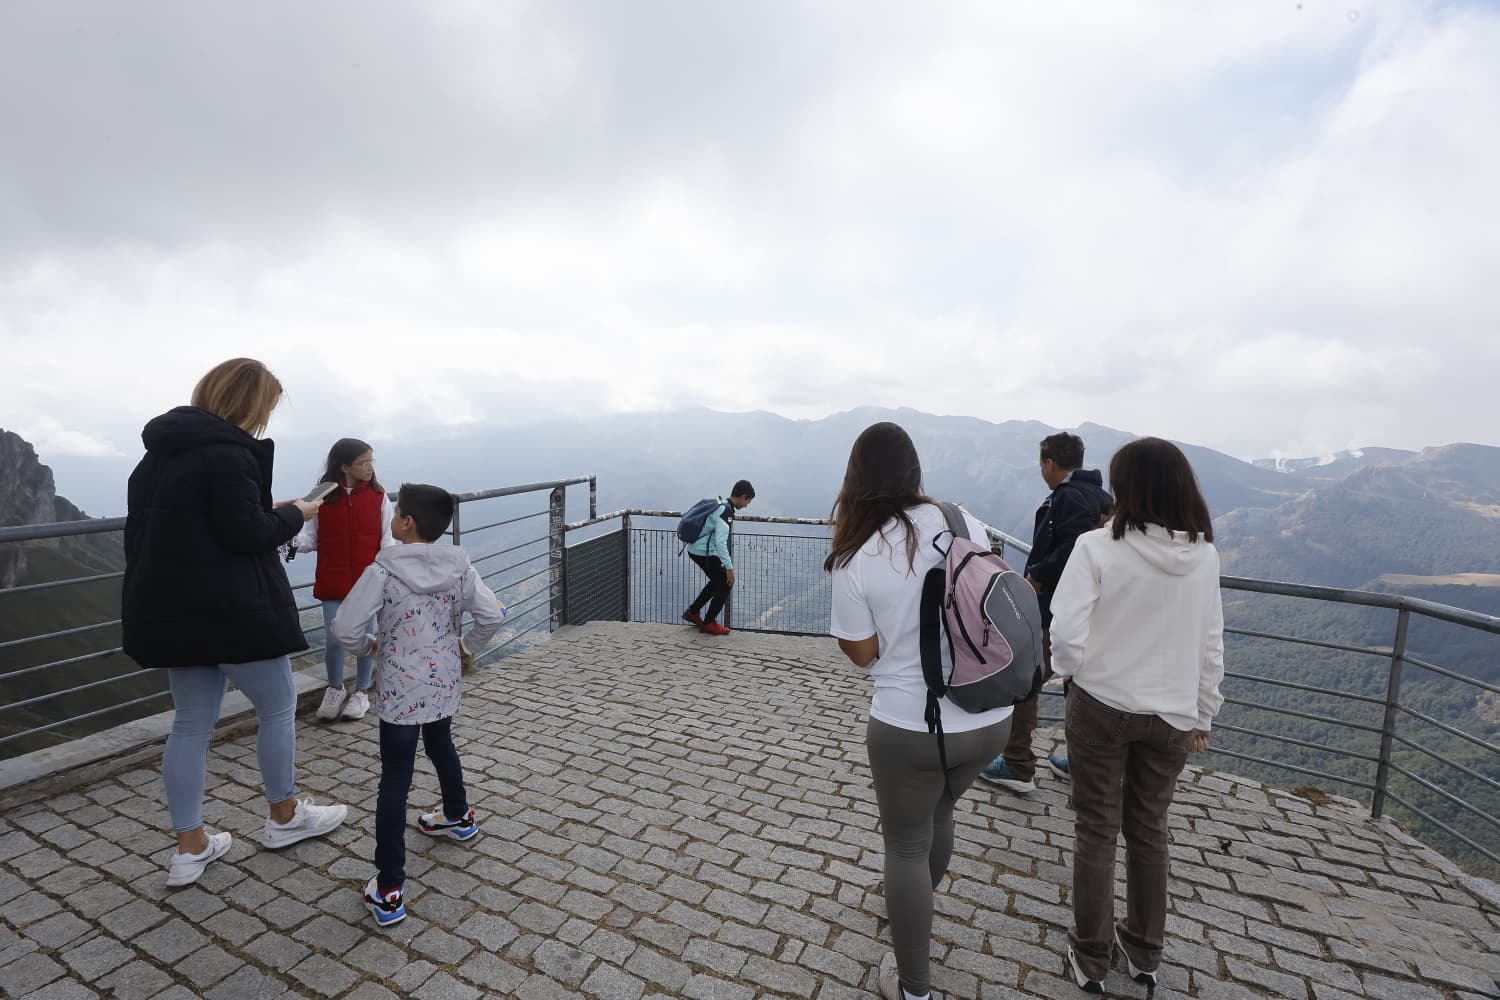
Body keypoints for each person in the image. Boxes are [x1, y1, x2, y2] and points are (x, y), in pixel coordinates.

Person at [122, 358, 349, 888]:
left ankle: (189, 847)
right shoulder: (228, 454)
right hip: (233, 608)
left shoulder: (156, 458)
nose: (266, 417)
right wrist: (298, 514)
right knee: (278, 707)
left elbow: (193, 525)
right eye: (266, 405)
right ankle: (285, 816)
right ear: (250, 403)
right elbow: (248, 534)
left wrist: (268, 507)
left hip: (177, 613)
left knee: (190, 724)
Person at [827, 423, 1012, 1000]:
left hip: (912, 727)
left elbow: (862, 654)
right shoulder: (965, 522)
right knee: (941, 813)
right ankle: (915, 902)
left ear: (857, 476)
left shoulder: (856, 554)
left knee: (904, 846)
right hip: (989, 719)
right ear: (914, 471)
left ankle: (913, 987)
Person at [1049, 437, 1224, 993]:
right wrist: (1203, 712)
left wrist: (1071, 672)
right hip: (1172, 715)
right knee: (1150, 831)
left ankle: (1090, 955)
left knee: (1096, 830)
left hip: (1101, 703)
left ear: (1126, 489)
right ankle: (1145, 950)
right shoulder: (1205, 555)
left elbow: (1065, 631)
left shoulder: (1096, 547)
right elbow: (1211, 643)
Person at [332, 483, 506, 927]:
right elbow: (493, 615)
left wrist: (372, 646)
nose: (391, 516)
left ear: (406, 523)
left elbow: (345, 627)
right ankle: (456, 815)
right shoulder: (459, 567)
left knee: (395, 780)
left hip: (398, 690)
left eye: (396, 511)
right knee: (441, 743)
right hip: (443, 681)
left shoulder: (383, 572)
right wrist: (465, 647)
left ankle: (389, 888)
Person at [979, 432, 1110, 793]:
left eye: (1041, 463)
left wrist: (1038, 573)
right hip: (1096, 610)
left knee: (1025, 680)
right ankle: (1084, 764)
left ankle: (1018, 764)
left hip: (1059, 609)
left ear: (1049, 463)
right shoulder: (1100, 496)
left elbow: (1074, 548)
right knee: (1080, 686)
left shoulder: (1068, 498)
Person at [288, 437, 397, 722]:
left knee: (364, 637)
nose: (370, 468)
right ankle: (335, 688)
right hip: (333, 579)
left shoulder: (379, 497)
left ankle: (361, 692)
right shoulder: (320, 497)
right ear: (345, 466)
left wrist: (389, 574)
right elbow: (310, 538)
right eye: (364, 462)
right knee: (335, 638)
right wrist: (286, 540)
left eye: (372, 461)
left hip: (368, 582)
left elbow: (388, 539)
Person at [681, 479, 755, 636]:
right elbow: (721, 543)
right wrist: (729, 568)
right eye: (747, 501)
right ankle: (708, 622)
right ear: (743, 496)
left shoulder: (721, 504)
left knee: (717, 580)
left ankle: (693, 612)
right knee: (726, 582)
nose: (746, 505)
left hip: (695, 549)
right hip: (702, 552)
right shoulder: (726, 512)